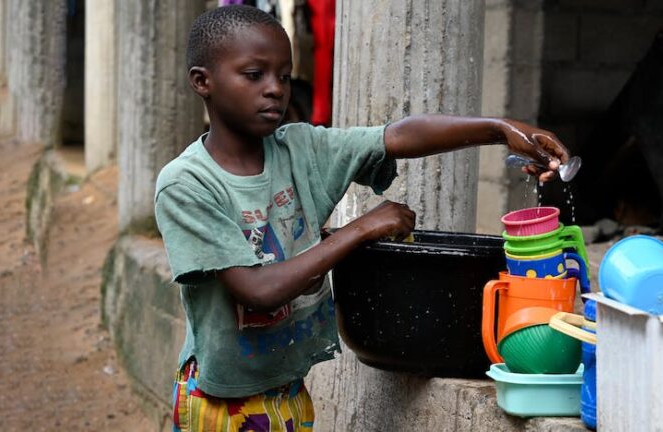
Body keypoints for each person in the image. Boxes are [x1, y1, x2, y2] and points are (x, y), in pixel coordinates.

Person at [155, 5, 569, 432]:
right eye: (254, 74)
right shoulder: (187, 184)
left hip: (287, 390)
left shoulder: (300, 150)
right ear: (203, 81)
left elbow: (396, 135)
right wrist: (361, 229)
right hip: (222, 404)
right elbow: (258, 291)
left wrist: (498, 128)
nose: (275, 89)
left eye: (283, 75)